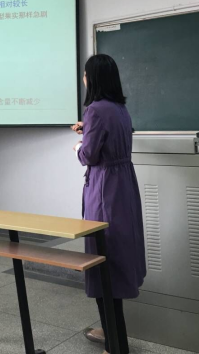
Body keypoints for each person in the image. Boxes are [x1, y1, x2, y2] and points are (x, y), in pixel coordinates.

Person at [71, 54, 146, 354]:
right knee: (117, 256)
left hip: (105, 189)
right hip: (123, 185)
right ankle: (110, 331)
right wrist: (87, 128)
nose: (83, 79)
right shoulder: (119, 108)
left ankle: (115, 344)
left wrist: (79, 145)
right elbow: (110, 136)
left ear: (93, 79)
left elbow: (88, 156)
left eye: (85, 74)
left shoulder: (95, 109)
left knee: (103, 258)